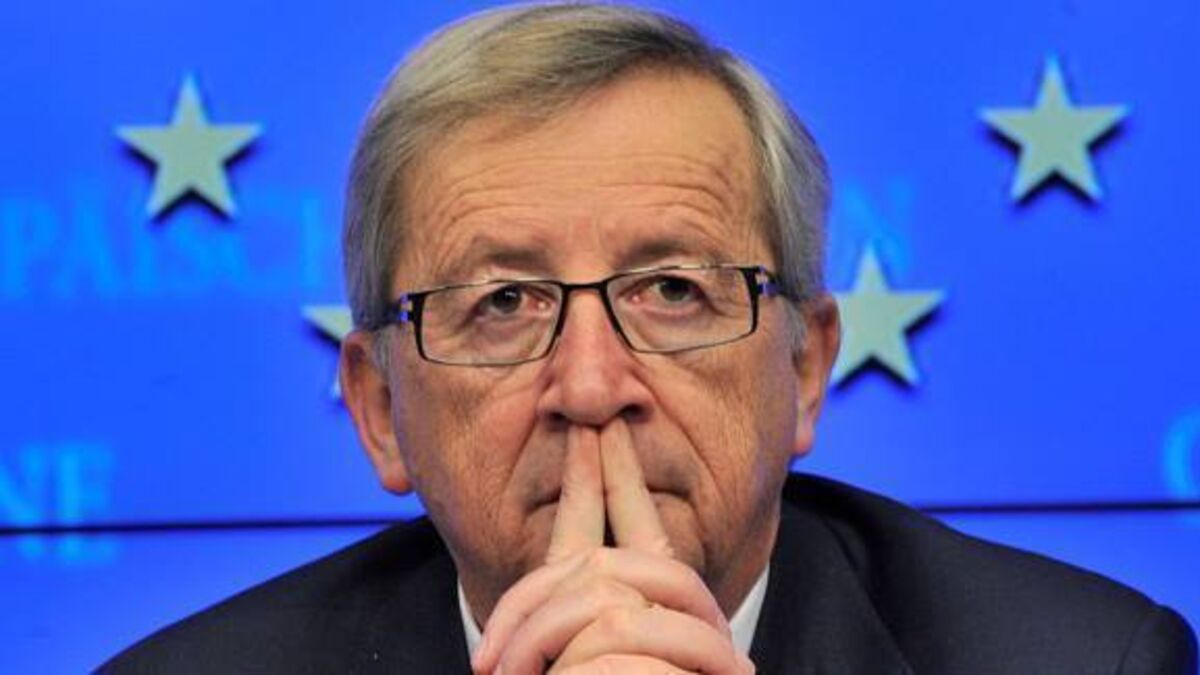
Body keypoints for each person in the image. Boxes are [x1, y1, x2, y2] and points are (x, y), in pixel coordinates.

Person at [101, 3, 1196, 673]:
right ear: (381, 409)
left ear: (806, 369)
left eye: (674, 290)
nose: (590, 385)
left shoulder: (1080, 660)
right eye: (503, 303)